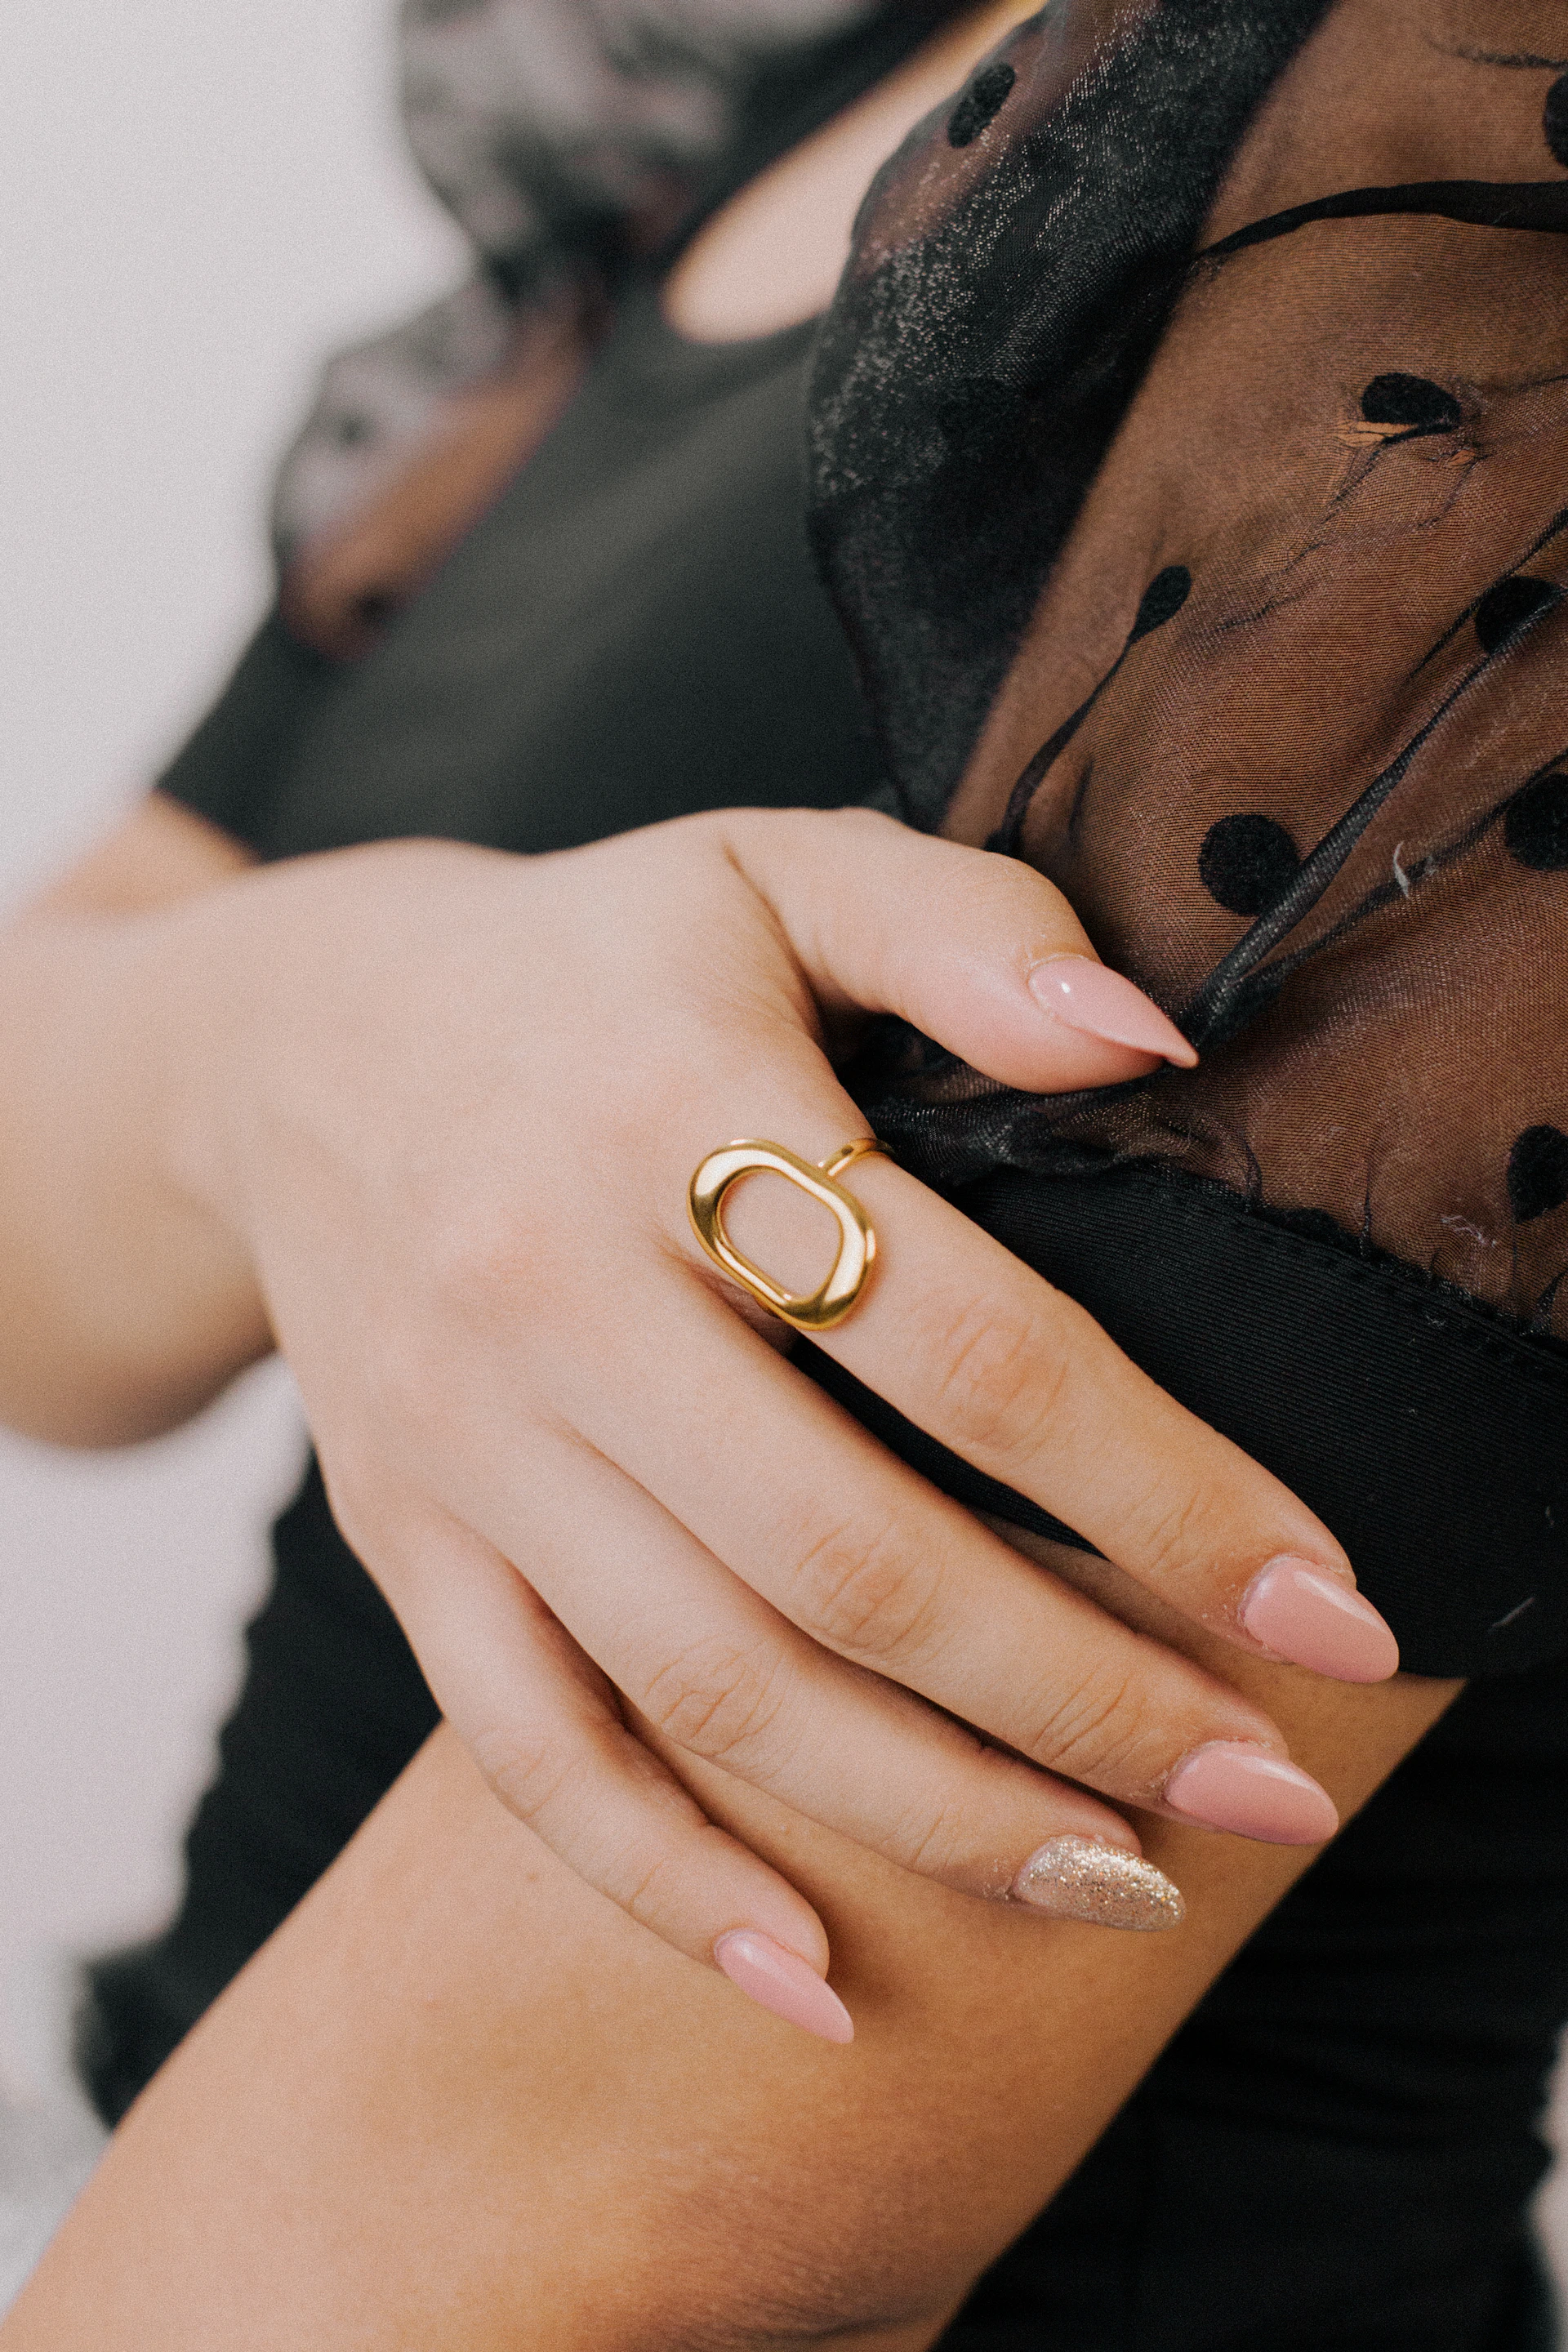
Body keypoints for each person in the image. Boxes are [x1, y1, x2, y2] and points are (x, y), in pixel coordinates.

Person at [1, 2, 1562, 2346]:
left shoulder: (1468, 130)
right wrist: (319, 1034)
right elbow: (40, 1260)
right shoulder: (755, 115)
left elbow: (588, 2220)